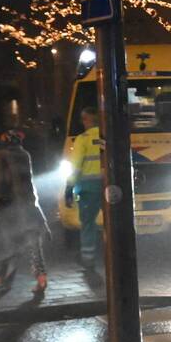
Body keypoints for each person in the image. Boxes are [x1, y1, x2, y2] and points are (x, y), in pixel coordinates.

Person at [0, 130, 50, 294]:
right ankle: (41, 279)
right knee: (34, 245)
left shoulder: (0, 156)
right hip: (28, 205)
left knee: (6, 245)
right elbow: (29, 183)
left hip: (8, 208)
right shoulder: (25, 155)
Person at [64, 107, 103, 271]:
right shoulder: (106, 137)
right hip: (107, 186)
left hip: (88, 188)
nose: (82, 122)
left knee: (88, 223)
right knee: (112, 222)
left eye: (83, 119)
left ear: (88, 119)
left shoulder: (83, 139)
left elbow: (75, 167)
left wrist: (69, 187)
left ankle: (88, 259)